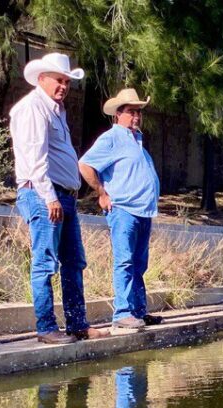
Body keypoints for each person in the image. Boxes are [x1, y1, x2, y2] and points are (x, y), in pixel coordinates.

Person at [10, 53, 109, 344]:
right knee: (45, 262)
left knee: (74, 261)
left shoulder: (55, 110)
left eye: (66, 81)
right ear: (42, 79)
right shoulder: (32, 108)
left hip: (62, 196)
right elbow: (34, 157)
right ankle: (46, 328)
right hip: (44, 194)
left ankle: (77, 324)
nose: (63, 86)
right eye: (58, 80)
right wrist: (49, 197)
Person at [79, 88, 162, 331]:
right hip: (124, 210)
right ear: (118, 114)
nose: (136, 116)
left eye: (138, 112)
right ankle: (123, 313)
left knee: (139, 263)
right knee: (125, 261)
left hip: (143, 212)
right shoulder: (112, 138)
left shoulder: (138, 141)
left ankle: (137, 310)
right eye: (130, 112)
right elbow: (85, 165)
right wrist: (102, 193)